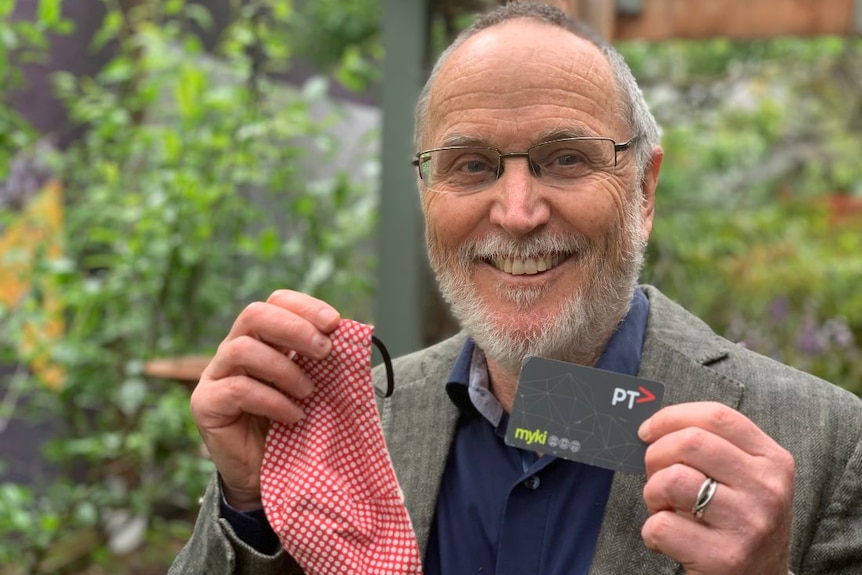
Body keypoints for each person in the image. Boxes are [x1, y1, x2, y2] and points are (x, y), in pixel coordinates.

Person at [169, 2, 862, 574]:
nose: (519, 211)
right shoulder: (356, 425)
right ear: (426, 192)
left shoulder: (826, 441)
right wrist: (247, 501)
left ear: (643, 190)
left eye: (566, 158)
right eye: (470, 165)